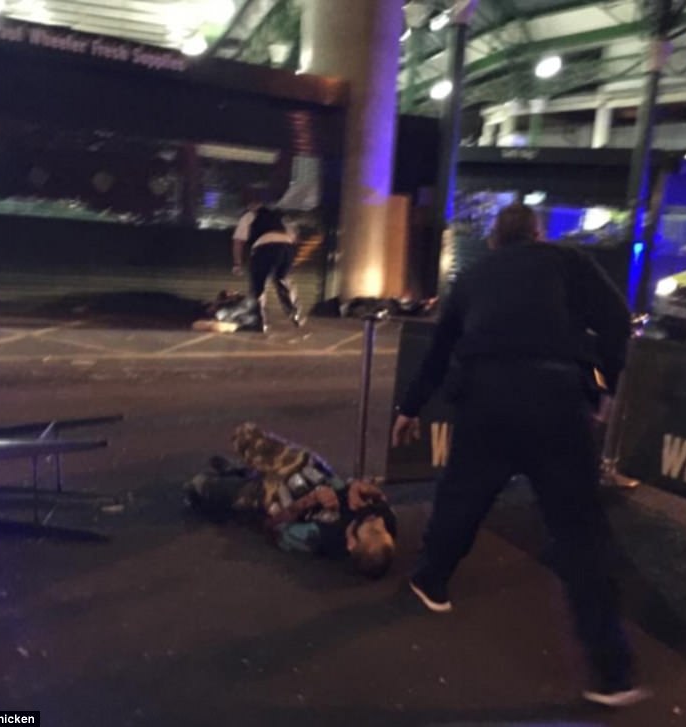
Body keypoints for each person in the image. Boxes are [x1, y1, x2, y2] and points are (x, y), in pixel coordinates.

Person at [390, 202, 647, 707]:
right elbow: (618, 320)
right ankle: (613, 673)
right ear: (538, 233)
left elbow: (439, 351)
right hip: (557, 399)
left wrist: (411, 408)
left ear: (494, 240)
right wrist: (602, 384)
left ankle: (432, 581)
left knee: (462, 496)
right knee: (580, 533)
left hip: (486, 398)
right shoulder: (568, 261)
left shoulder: (474, 276)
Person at [186, 422, 396, 579]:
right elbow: (371, 494)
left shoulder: (322, 537)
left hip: (274, 495)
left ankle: (239, 478)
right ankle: (244, 471)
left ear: (351, 543)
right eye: (381, 527)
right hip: (304, 469)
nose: (376, 520)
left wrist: (310, 500)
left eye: (371, 528)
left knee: (199, 484)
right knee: (245, 434)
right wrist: (356, 487)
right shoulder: (384, 520)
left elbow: (273, 527)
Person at [232, 193, 303, 330]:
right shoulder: (280, 216)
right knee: (283, 280)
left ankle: (259, 320)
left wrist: (237, 263)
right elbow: (295, 237)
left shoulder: (249, 216)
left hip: (264, 247)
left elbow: (238, 242)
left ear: (252, 205)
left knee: (258, 284)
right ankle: (295, 313)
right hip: (286, 246)